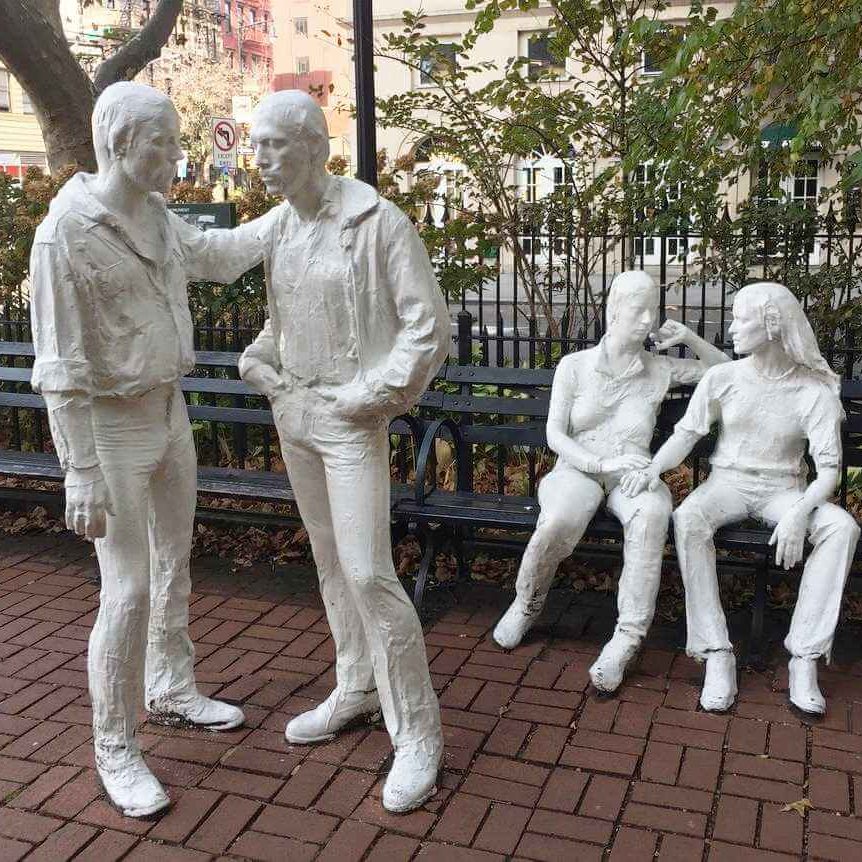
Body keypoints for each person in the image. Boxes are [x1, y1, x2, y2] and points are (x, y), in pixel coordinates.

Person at [29, 82, 270, 817]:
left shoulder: (159, 217)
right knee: (127, 587)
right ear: (120, 144)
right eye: (162, 143)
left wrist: (301, 204)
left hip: (168, 411)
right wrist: (79, 471)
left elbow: (223, 256)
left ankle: (171, 688)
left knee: (174, 564)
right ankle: (115, 745)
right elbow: (60, 367)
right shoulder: (64, 232)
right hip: (109, 428)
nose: (176, 154)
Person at [238, 91, 449, 813]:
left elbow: (428, 330)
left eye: (272, 145)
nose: (258, 157)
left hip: (349, 419)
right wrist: (261, 361)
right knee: (329, 565)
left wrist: (368, 396)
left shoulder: (377, 222)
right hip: (295, 414)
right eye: (256, 145)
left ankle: (418, 732)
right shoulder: (280, 229)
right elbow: (286, 317)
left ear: (313, 147)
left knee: (368, 572)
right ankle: (356, 684)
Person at [620, 282, 859, 714]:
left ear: (771, 326)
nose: (730, 328)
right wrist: (652, 470)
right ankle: (715, 652)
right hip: (726, 484)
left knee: (841, 527)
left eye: (739, 319)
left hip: (784, 491)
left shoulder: (813, 392)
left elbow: (828, 473)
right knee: (688, 517)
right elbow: (685, 436)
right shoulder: (724, 378)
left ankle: (804, 656)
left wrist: (800, 513)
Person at [493, 271, 729, 694]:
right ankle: (526, 603)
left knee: (654, 513)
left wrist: (691, 339)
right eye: (638, 309)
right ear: (614, 311)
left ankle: (626, 639)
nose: (647, 319)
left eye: (652, 310)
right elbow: (555, 435)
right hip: (578, 469)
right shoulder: (576, 366)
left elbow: (728, 374)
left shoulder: (660, 369)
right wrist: (599, 459)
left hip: (633, 475)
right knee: (560, 518)